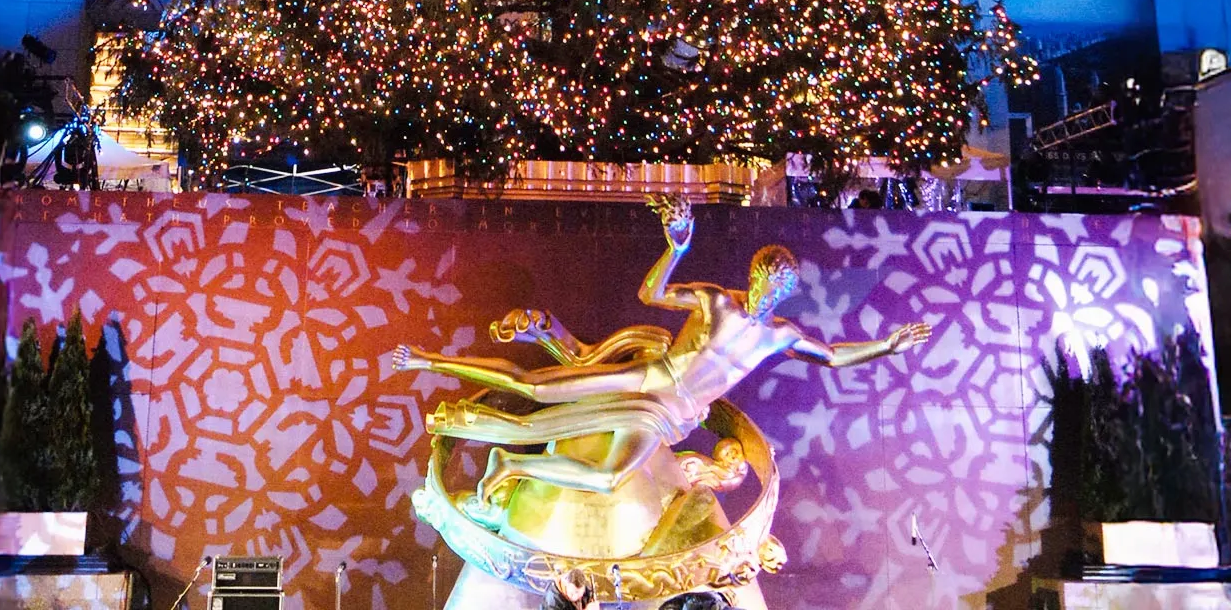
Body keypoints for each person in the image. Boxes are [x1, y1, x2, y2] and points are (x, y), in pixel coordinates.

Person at [392, 194, 929, 509]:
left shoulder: (781, 334)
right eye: (764, 287)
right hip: (651, 377)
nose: (768, 299)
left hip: (674, 414)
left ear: (787, 293)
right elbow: (650, 295)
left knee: (607, 478)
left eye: (778, 293)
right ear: (754, 278)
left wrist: (886, 345)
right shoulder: (717, 302)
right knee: (536, 387)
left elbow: (832, 356)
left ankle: (509, 464)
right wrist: (676, 248)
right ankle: (428, 360)